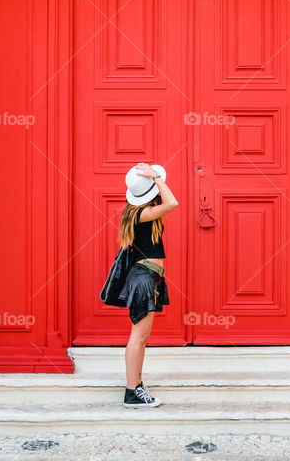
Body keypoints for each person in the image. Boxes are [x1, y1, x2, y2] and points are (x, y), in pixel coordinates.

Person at [116, 162, 178, 407]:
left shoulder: (138, 212)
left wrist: (154, 181)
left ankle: (136, 385)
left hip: (148, 276)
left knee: (141, 336)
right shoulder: (140, 214)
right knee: (139, 337)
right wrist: (155, 178)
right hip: (144, 277)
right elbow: (172, 203)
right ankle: (132, 390)